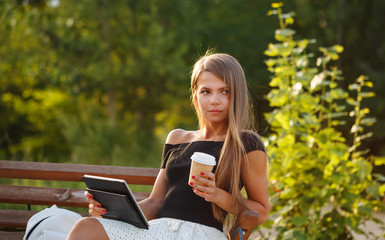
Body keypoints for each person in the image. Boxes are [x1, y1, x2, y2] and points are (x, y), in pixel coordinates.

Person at [66, 52, 270, 240]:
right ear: (195, 95)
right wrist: (110, 211)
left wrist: (217, 195)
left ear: (236, 95)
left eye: (224, 91)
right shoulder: (177, 138)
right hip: (159, 230)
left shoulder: (246, 144)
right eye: (206, 91)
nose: (214, 101)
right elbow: (155, 202)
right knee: (86, 227)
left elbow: (260, 212)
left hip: (201, 234)